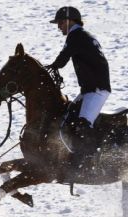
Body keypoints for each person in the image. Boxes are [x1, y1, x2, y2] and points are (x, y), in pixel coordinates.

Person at [44, 6, 112, 169]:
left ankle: (90, 162)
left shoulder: (76, 36)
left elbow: (61, 60)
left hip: (96, 90)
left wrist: (48, 69)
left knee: (82, 124)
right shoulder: (82, 36)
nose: (59, 26)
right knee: (68, 117)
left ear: (69, 21)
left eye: (60, 22)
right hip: (89, 89)